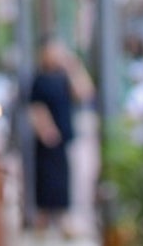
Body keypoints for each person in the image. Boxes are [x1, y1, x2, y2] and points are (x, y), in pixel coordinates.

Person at [28, 36, 95, 238]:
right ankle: (44, 218)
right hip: (46, 138)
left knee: (63, 177)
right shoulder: (39, 78)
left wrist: (74, 66)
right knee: (46, 177)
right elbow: (36, 107)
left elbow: (85, 93)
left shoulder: (65, 76)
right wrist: (45, 129)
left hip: (64, 135)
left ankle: (62, 218)